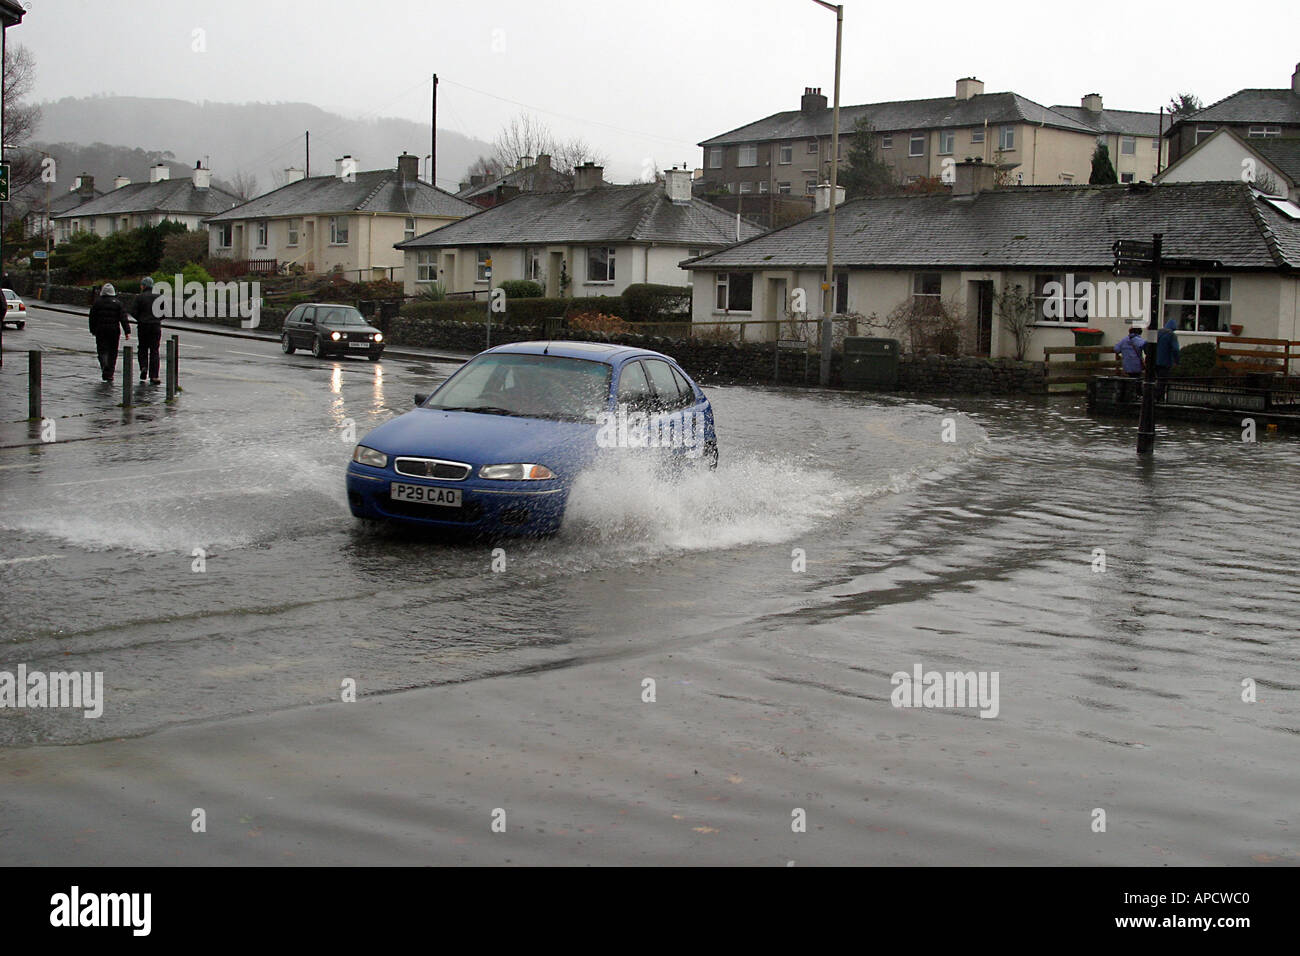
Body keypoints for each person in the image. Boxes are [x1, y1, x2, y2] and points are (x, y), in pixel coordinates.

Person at [88, 283, 131, 383]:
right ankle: (110, 373)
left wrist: (92, 329)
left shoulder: (97, 303)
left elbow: (92, 317)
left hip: (101, 330)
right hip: (114, 330)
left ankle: (104, 365)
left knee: (102, 350)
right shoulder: (118, 303)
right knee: (113, 352)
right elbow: (123, 318)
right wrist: (127, 331)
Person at [131, 276, 164, 384]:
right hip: (155, 326)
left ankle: (144, 367)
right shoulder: (159, 297)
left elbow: (133, 311)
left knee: (142, 348)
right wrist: (157, 319)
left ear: (143, 286)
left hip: (143, 325)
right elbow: (166, 312)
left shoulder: (139, 297)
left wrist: (140, 319)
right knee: (154, 350)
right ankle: (154, 376)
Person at [1155, 318, 1180, 400]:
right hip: (1165, 362)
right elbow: (1176, 349)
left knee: (1155, 380)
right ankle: (1159, 398)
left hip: (1154, 362)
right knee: (1162, 381)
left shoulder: (1157, 333)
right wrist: (1177, 361)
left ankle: (1154, 397)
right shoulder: (1172, 335)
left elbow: (1146, 345)